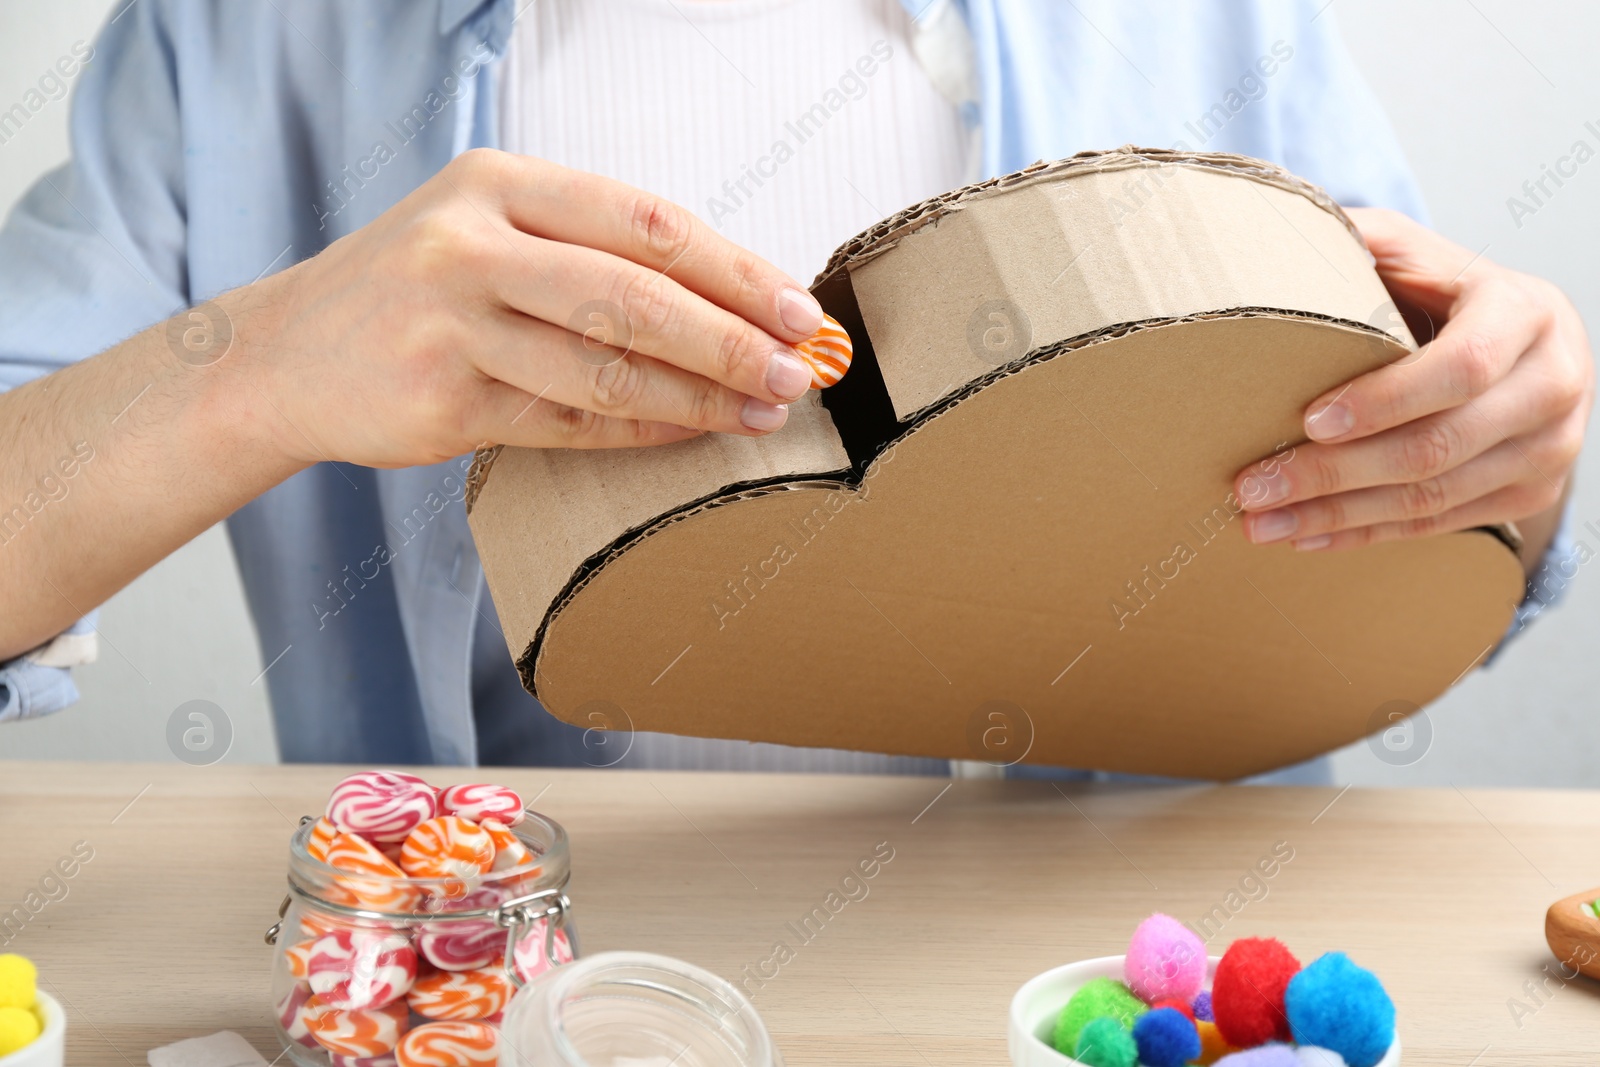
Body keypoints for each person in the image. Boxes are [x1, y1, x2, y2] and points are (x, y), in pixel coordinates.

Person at [0, 0, 1589, 777]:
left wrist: (1502, 447)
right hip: (520, 984)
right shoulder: (237, 34)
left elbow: (1416, 545)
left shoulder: (1201, 21)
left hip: (1128, 964)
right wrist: (258, 370)